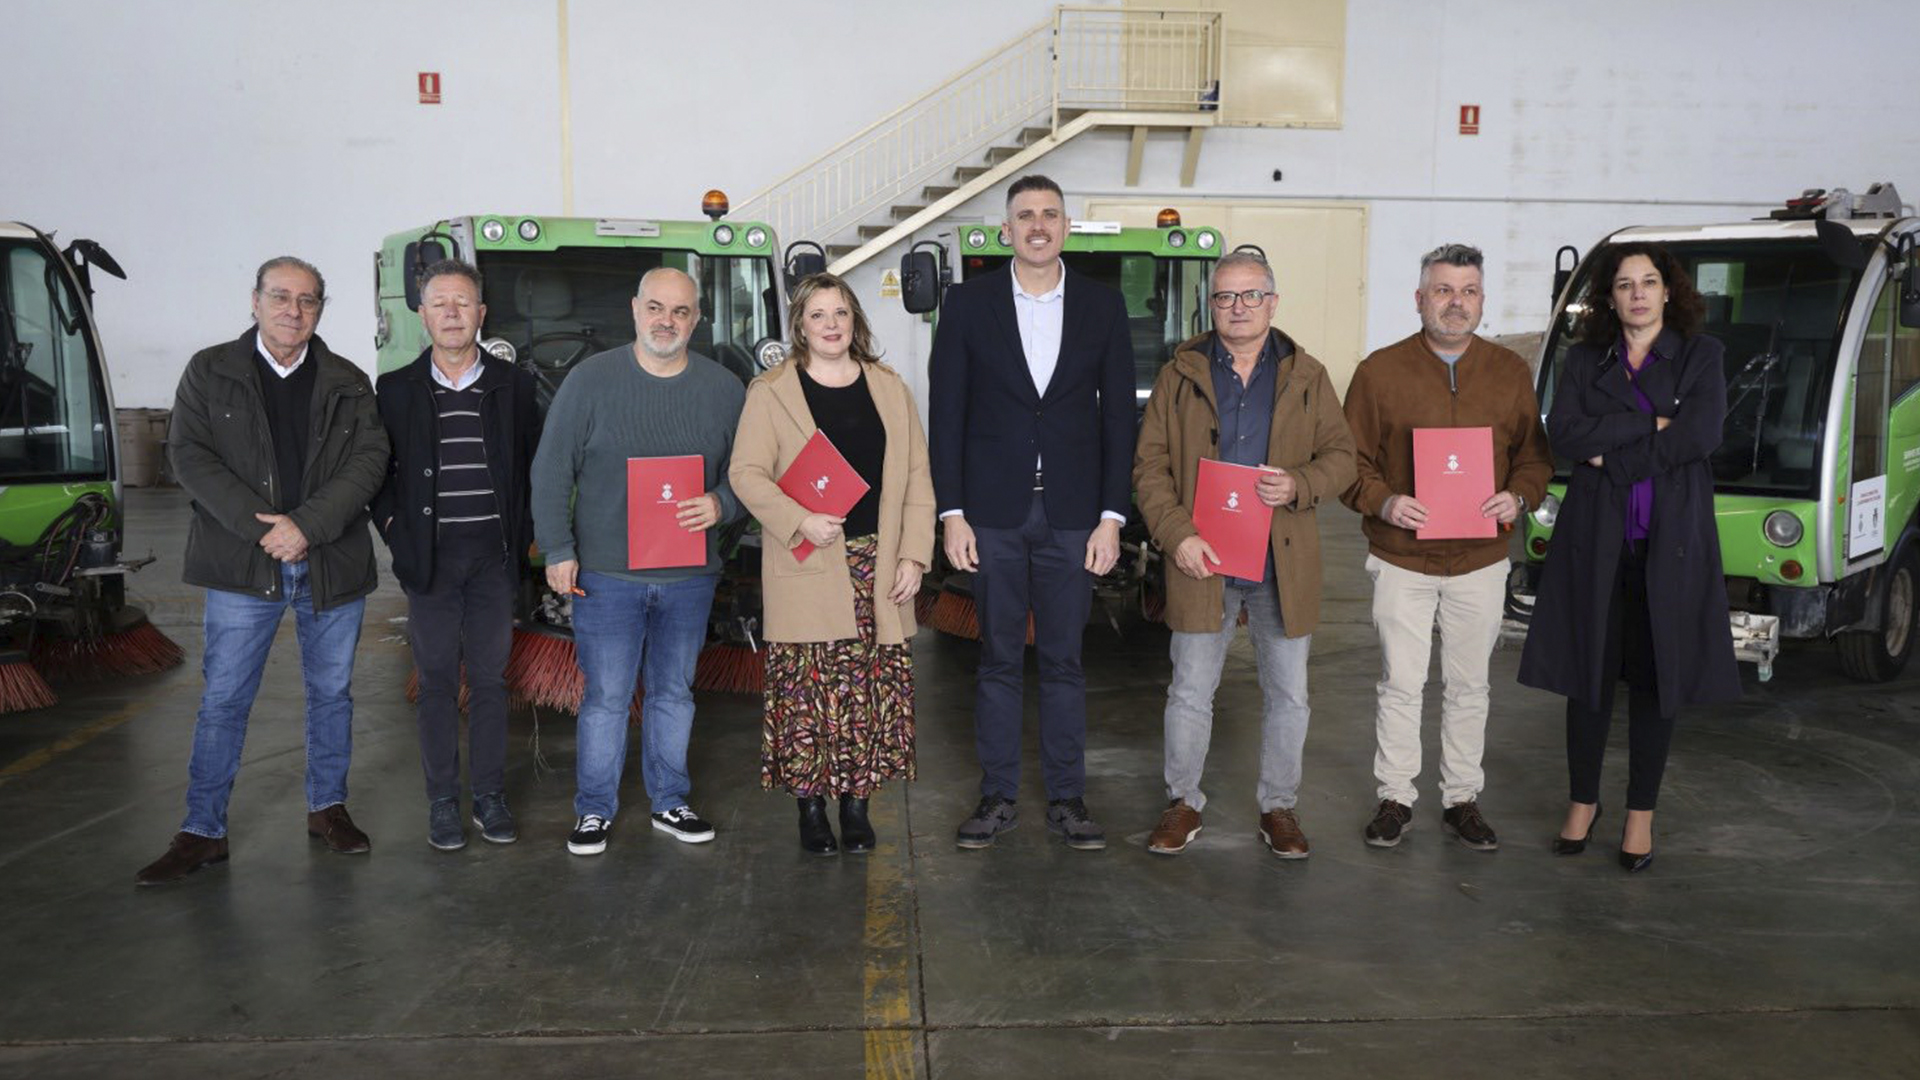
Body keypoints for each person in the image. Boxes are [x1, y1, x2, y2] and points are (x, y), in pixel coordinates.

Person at [137, 257, 389, 886]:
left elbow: (369, 459)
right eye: (280, 297)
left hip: (330, 561)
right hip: (243, 565)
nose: (292, 311)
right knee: (224, 698)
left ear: (320, 309)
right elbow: (189, 456)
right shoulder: (210, 370)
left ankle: (327, 808)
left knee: (331, 694)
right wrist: (266, 531)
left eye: (307, 300)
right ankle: (203, 831)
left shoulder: (349, 380)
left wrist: (307, 526)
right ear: (254, 301)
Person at [928, 174, 1135, 851]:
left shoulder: (1103, 305)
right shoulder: (968, 304)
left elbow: (1118, 420)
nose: (1038, 225)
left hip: (1074, 515)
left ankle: (1068, 798)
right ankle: (997, 796)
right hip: (992, 513)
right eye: (1025, 215)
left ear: (1066, 227)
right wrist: (953, 513)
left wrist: (1112, 517)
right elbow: (947, 413)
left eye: (1049, 214)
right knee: (996, 659)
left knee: (1065, 660)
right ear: (1007, 230)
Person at [1518, 242, 1740, 872]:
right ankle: (1582, 803)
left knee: (1654, 680)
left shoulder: (1701, 354)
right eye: (1624, 284)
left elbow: (1700, 435)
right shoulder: (1586, 357)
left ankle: (1640, 813)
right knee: (1587, 676)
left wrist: (1611, 458)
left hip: (1669, 543)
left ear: (1668, 291)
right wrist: (1651, 424)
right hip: (1595, 540)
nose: (1637, 294)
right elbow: (1564, 432)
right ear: (1609, 298)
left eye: (1648, 282)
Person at [1133, 250, 1355, 857]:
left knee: (1289, 694)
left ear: (1272, 303)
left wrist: (1299, 484)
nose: (1238, 307)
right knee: (1189, 690)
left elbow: (1342, 458)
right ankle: (1183, 802)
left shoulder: (1308, 375)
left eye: (1251, 295)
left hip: (1281, 561)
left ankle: (1278, 807)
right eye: (1226, 297)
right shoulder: (1180, 374)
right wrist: (1177, 535)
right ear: (1212, 306)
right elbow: (1150, 466)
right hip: (1201, 559)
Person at [1341, 243, 1552, 852]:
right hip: (1401, 558)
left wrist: (1518, 496)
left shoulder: (1509, 372)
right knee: (1400, 683)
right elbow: (1348, 462)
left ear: (1482, 301)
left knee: (1469, 686)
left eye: (1468, 292)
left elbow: (1534, 458)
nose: (1456, 303)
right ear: (1419, 299)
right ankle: (1395, 798)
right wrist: (1384, 501)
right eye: (1443, 290)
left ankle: (1462, 799)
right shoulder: (1379, 372)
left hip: (1480, 561)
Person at [531, 266, 746, 857]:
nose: (666, 321)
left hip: (689, 578)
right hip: (607, 577)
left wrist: (722, 503)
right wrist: (558, 548)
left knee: (674, 693)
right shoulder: (590, 381)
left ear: (697, 320)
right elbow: (552, 468)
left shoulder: (725, 389)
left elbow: (753, 471)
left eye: (680, 311)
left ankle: (670, 801)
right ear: (634, 309)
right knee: (606, 697)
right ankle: (594, 810)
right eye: (655, 307)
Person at [729, 273, 935, 855]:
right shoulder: (771, 392)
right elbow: (745, 473)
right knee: (808, 691)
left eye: (840, 313)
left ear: (855, 321)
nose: (830, 324)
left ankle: (857, 805)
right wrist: (799, 519)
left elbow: (917, 476)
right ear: (800, 324)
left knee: (869, 692)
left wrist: (915, 554)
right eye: (817, 314)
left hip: (878, 563)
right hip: (810, 560)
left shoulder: (889, 387)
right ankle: (812, 809)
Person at [371, 259, 540, 851]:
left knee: (490, 680)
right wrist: (395, 529)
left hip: (494, 559)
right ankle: (442, 800)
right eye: (439, 303)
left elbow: (534, 465)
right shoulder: (395, 389)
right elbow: (377, 472)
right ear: (422, 315)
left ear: (481, 313)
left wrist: (527, 533)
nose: (451, 313)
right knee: (437, 681)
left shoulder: (515, 386)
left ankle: (489, 795)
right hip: (431, 561)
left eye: (462, 303)